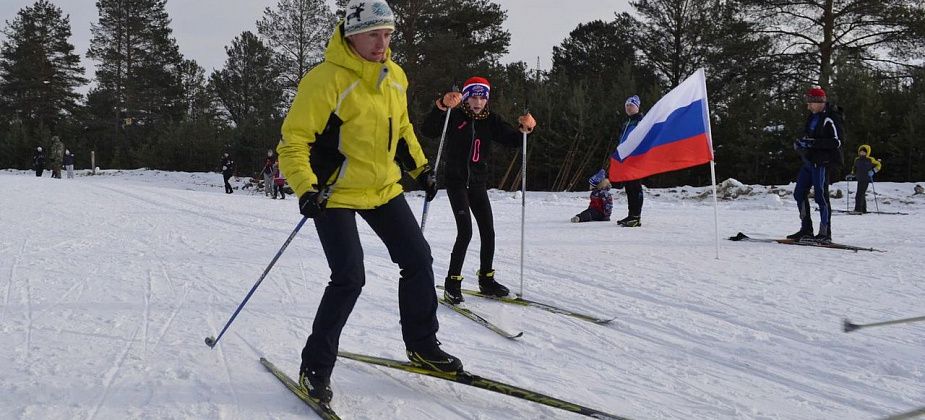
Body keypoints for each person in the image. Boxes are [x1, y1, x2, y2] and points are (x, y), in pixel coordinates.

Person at [276, 0, 460, 404]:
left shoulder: (395, 75)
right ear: (351, 35)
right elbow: (293, 142)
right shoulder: (324, 80)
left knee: (418, 259)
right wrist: (305, 188)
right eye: (374, 34)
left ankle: (422, 345)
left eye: (388, 34)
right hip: (334, 193)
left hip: (383, 188)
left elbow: (403, 129)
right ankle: (315, 367)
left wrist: (421, 168)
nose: (382, 43)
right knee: (349, 277)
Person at [421, 76, 536, 305]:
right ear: (465, 97)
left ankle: (486, 280)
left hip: (477, 183)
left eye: (482, 98)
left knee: (488, 231)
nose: (478, 102)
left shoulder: (491, 120)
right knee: (465, 232)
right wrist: (441, 105)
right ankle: (452, 284)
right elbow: (429, 130)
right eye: (473, 97)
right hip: (456, 183)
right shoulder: (455, 116)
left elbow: (514, 140)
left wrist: (527, 128)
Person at [788, 85, 844, 242]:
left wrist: (813, 143)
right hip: (809, 162)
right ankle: (806, 229)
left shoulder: (830, 118)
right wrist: (801, 143)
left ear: (820, 102)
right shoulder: (812, 116)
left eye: (811, 103)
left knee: (821, 197)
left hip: (822, 163)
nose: (808, 106)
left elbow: (837, 142)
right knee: (799, 193)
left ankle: (825, 233)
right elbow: (809, 136)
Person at [609, 95, 645, 227]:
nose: (629, 108)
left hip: (636, 158)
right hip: (625, 158)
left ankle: (636, 217)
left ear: (637, 107)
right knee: (629, 187)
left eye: (631, 105)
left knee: (635, 186)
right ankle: (631, 215)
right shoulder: (627, 122)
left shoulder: (641, 121)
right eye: (627, 106)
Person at [847, 144, 881, 213]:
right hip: (859, 179)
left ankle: (858, 210)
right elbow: (854, 168)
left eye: (864, 152)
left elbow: (878, 165)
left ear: (867, 152)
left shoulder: (870, 159)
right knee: (861, 193)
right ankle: (863, 209)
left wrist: (873, 171)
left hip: (866, 179)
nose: (862, 153)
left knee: (859, 194)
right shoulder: (857, 160)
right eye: (861, 151)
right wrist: (852, 174)